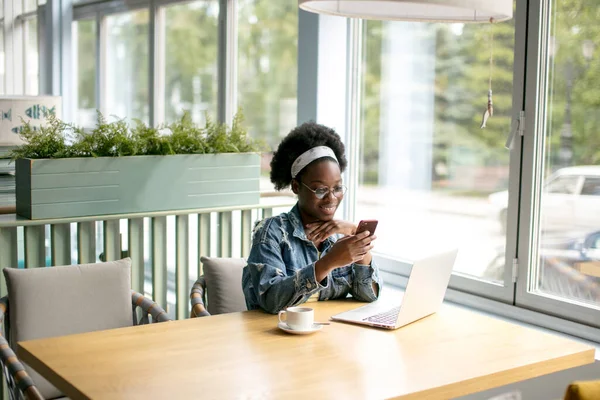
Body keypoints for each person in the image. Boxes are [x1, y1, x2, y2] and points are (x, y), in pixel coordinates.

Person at [242, 122, 382, 314]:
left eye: (338, 188)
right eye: (320, 189)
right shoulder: (271, 232)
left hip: (326, 336)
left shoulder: (340, 236)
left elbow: (368, 295)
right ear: (296, 187)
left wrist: (358, 240)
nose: (331, 197)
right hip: (275, 337)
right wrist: (329, 262)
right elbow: (271, 299)